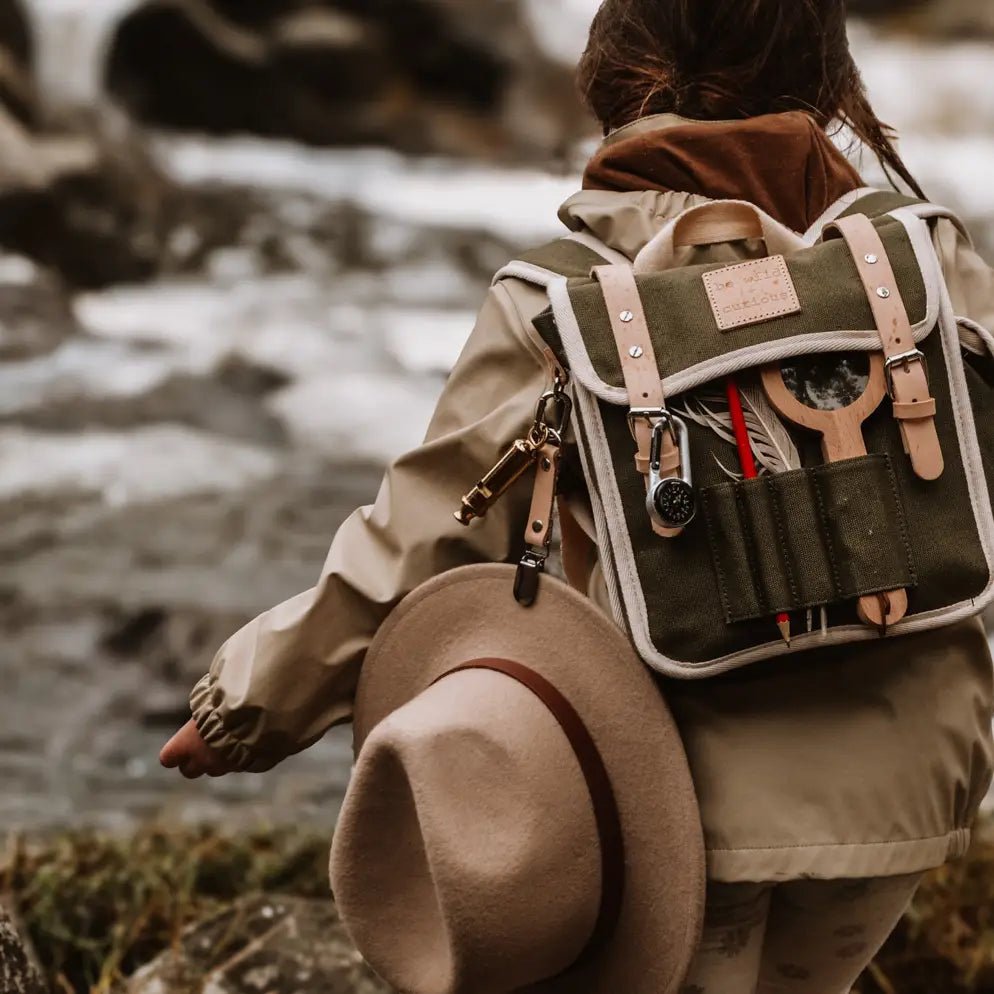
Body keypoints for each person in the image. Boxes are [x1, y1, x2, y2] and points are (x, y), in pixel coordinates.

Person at [161, 2, 994, 991]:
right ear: (826, 74)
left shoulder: (561, 297)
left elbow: (432, 531)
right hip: (909, 780)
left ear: (616, 74)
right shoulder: (917, 257)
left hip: (685, 800)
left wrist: (246, 704)